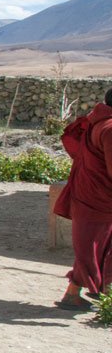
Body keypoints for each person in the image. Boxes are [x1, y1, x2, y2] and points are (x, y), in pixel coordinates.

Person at [54, 87, 112, 309]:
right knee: (95, 247)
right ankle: (78, 294)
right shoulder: (109, 128)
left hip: (92, 194)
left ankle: (84, 294)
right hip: (100, 197)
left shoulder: (97, 122)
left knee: (96, 246)